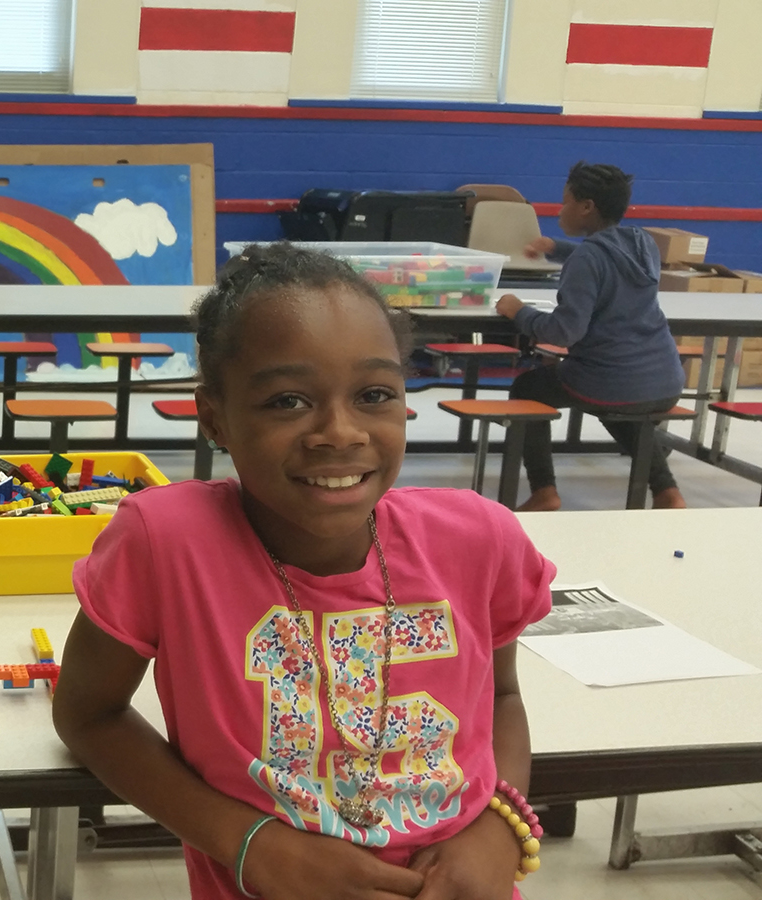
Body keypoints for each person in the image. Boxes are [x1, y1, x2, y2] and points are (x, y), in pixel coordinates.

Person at [53, 243, 556, 900]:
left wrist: (501, 823)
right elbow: (89, 716)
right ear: (215, 418)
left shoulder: (478, 540)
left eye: (374, 394)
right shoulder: (166, 544)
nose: (339, 433)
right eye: (288, 402)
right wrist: (252, 845)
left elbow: (502, 698)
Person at [494, 162, 688, 511]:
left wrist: (518, 311)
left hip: (611, 383)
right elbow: (605, 255)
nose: (559, 208)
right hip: (666, 380)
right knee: (621, 403)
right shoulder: (643, 243)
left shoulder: (587, 261)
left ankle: (544, 491)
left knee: (528, 388)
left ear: (586, 206)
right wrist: (557, 247)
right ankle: (666, 491)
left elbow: (565, 331)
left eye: (565, 201)